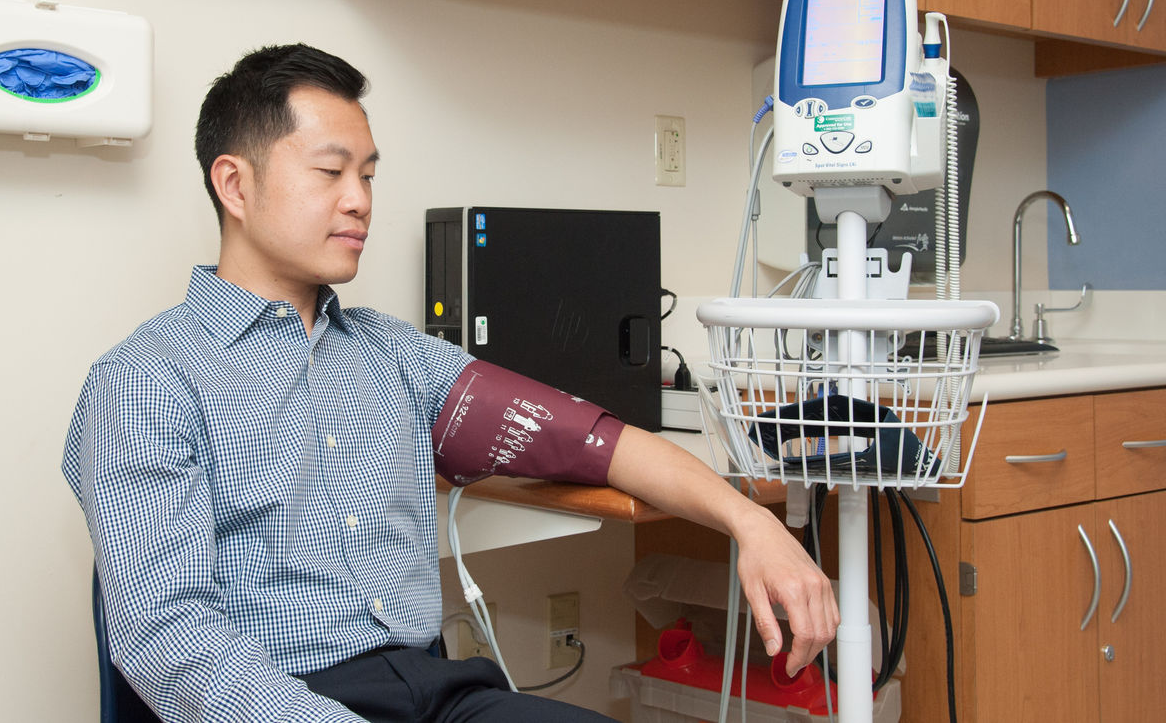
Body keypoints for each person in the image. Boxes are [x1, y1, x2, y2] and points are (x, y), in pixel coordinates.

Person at [63, 44, 839, 723]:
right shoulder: (146, 382)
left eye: (367, 174)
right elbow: (166, 637)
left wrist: (750, 523)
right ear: (234, 185)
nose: (360, 199)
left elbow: (591, 440)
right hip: (285, 699)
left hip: (440, 692)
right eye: (330, 172)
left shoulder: (396, 358)